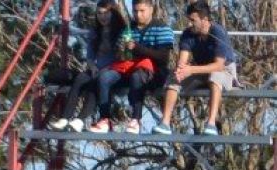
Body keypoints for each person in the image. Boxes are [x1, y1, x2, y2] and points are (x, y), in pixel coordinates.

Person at [152, 2, 238, 136]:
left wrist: (191, 70)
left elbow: (219, 65)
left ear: (204, 20)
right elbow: (183, 60)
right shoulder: (188, 34)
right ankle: (165, 123)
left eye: (193, 20)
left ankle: (211, 124)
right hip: (199, 68)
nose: (189, 24)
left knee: (215, 76)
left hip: (223, 69)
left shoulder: (218, 32)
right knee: (173, 78)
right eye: (189, 20)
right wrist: (180, 71)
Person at [89, 0, 173, 134]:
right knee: (104, 77)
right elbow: (120, 55)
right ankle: (104, 118)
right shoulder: (128, 29)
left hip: (154, 71)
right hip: (128, 67)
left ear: (151, 10)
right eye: (135, 11)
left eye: (142, 11)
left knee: (137, 76)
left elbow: (163, 58)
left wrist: (138, 48)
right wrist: (121, 50)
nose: (138, 15)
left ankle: (136, 119)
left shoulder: (162, 28)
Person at [49, 0, 128, 132]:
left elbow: (124, 56)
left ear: (113, 13)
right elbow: (90, 56)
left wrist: (105, 69)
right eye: (99, 13)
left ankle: (80, 119)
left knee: (96, 82)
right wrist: (92, 66)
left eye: (106, 13)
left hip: (114, 71)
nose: (103, 16)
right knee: (80, 78)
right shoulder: (95, 32)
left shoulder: (122, 31)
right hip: (97, 68)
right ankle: (65, 118)